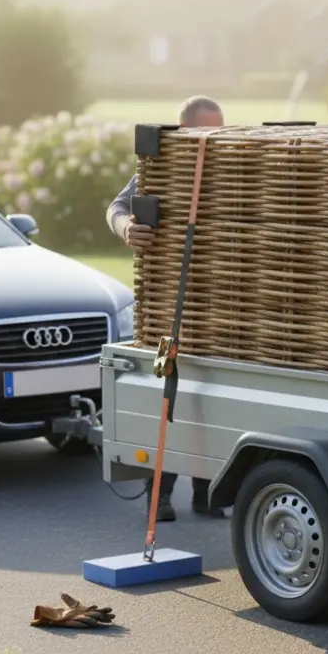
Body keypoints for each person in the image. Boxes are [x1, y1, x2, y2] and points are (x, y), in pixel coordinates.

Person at [106, 95, 225, 522]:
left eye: (219, 129)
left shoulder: (233, 165)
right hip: (169, 295)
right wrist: (129, 228)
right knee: (170, 392)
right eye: (203, 131)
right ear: (182, 130)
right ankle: (161, 492)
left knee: (210, 396)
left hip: (214, 298)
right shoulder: (163, 166)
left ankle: (205, 493)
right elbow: (117, 208)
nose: (212, 139)